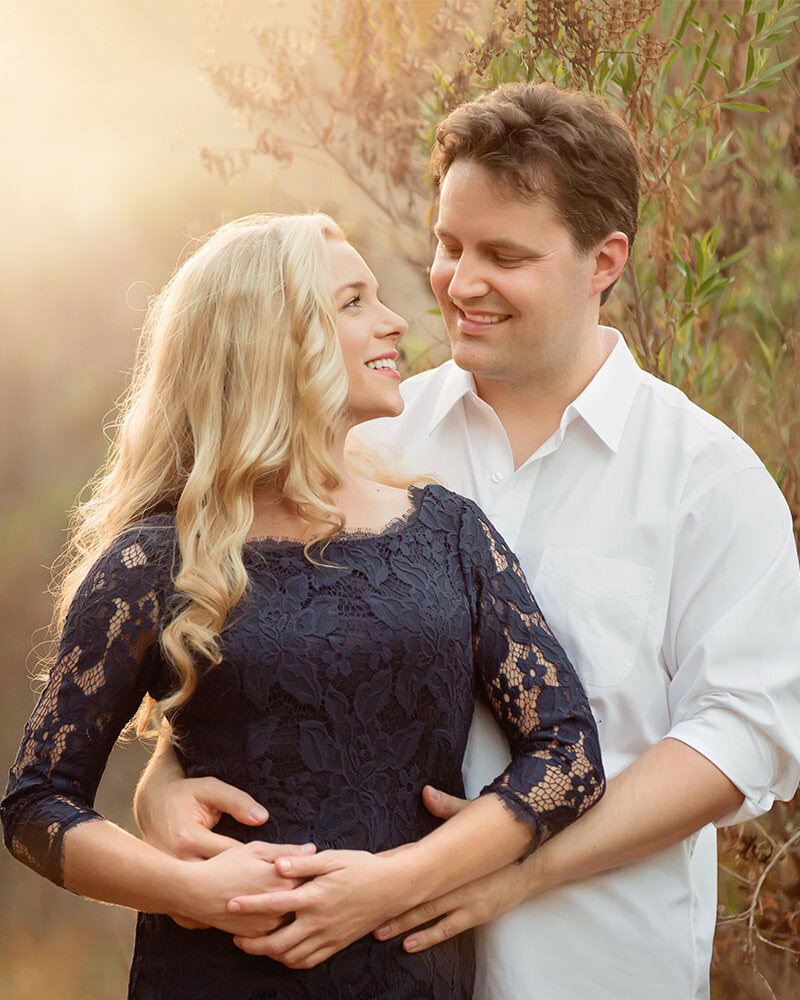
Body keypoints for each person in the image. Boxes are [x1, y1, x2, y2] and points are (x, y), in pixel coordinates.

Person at [134, 85, 800, 1000]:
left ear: (604, 261)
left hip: (589, 967)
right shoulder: (368, 444)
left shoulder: (708, 479)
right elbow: (258, 661)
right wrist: (164, 781)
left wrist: (508, 872)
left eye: (505, 255)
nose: (459, 280)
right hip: (353, 974)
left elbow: (744, 734)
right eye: (449, 244)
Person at [1, 213, 605, 999]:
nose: (394, 321)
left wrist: (400, 881)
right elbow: (35, 804)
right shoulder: (154, 561)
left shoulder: (449, 533)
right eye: (353, 302)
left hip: (410, 979)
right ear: (271, 343)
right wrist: (186, 891)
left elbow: (568, 754)